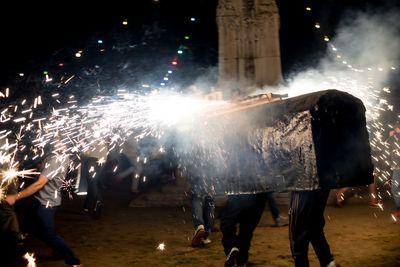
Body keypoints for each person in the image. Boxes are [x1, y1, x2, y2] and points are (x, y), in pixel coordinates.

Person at [5, 146, 82, 267]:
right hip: (41, 200)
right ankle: (57, 251)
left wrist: (15, 197)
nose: (54, 141)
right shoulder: (60, 156)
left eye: (59, 139)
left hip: (46, 204)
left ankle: (73, 261)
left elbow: (39, 184)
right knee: (31, 227)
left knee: (48, 234)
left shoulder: (55, 159)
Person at [289, 189, 339, 267]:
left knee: (298, 229)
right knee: (315, 224)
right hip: (323, 184)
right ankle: (328, 262)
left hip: (303, 184)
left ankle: (302, 264)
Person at [220, 192, 269, 267]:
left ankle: (231, 247)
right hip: (260, 196)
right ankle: (242, 259)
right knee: (247, 230)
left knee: (227, 223)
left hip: (240, 192)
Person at [80, 139, 108, 219]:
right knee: (93, 184)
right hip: (102, 159)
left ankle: (98, 200)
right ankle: (86, 207)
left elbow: (86, 151)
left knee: (92, 183)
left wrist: (82, 149)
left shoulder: (88, 130)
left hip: (91, 159)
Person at [188, 174, 216, 247]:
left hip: (198, 169)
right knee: (209, 199)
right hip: (211, 170)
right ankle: (205, 235)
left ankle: (199, 226)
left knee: (197, 197)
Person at [388, 123, 400, 219]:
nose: (395, 129)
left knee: (395, 189)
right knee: (395, 189)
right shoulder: (395, 137)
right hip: (396, 167)